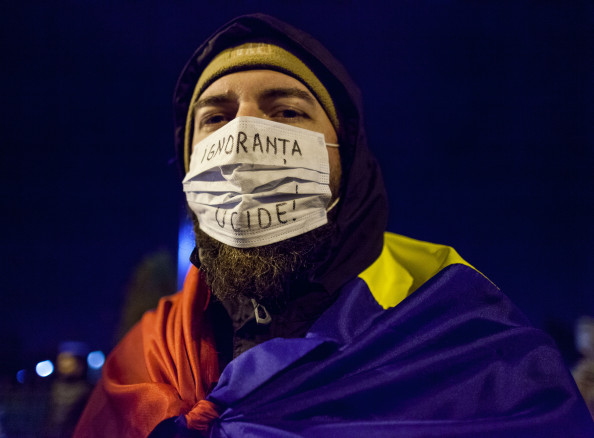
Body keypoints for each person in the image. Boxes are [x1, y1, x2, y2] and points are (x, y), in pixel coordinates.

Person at [74, 13, 594, 437]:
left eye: (287, 112)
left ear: (349, 160)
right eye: (215, 117)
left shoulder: (475, 353)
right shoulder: (142, 362)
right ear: (187, 167)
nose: (245, 137)